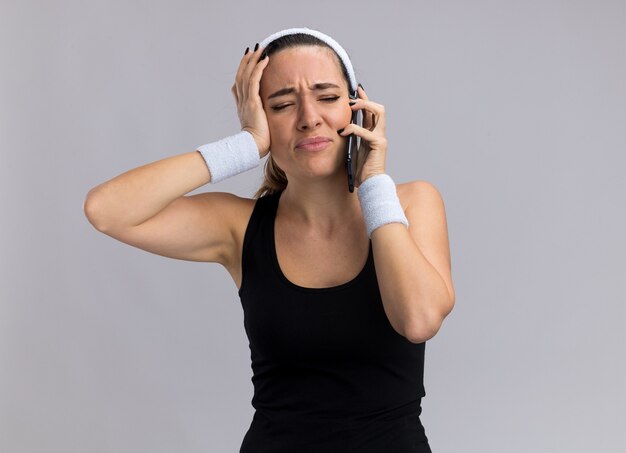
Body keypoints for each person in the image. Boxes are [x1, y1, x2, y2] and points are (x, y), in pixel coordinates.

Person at [84, 27, 455, 453]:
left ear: (358, 108)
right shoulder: (240, 227)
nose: (308, 116)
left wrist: (372, 181)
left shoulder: (412, 204)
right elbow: (106, 209)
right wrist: (244, 146)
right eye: (281, 104)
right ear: (261, 117)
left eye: (328, 97)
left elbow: (418, 320)